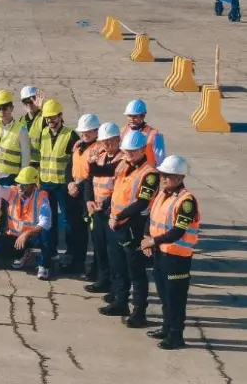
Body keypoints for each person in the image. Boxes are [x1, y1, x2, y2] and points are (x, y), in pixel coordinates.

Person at [99, 131, 158, 328]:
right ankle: (120, 301)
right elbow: (117, 190)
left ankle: (139, 312)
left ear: (142, 150)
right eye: (127, 151)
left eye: (133, 152)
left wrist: (119, 216)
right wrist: (106, 205)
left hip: (133, 225)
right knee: (118, 266)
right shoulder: (123, 164)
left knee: (136, 271)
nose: (129, 154)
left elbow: (142, 202)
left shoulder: (149, 174)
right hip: (116, 223)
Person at [140, 155, 200, 350]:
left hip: (177, 257)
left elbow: (178, 231)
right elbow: (151, 218)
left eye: (169, 176)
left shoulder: (186, 201)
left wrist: (153, 241)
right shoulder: (162, 193)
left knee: (175, 298)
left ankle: (176, 335)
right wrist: (147, 238)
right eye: (162, 175)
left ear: (181, 178)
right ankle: (166, 328)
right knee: (164, 295)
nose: (164, 178)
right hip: (161, 254)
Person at [0, 165, 52, 279]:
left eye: (24, 184)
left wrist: (27, 234)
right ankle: (22, 253)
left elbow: (45, 222)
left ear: (33, 185)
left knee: (46, 233)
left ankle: (44, 265)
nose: (20, 187)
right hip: (15, 236)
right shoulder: (12, 191)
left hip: (33, 237)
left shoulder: (42, 197)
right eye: (18, 183)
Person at [83, 122, 124, 295]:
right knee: (99, 248)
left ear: (118, 140)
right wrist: (88, 200)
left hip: (110, 211)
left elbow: (119, 190)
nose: (107, 145)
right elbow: (89, 180)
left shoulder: (122, 161)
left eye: (110, 141)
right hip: (96, 210)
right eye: (104, 141)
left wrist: (103, 205)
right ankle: (103, 280)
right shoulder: (99, 157)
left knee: (113, 252)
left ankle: (115, 286)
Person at [37, 99, 79, 268]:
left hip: (62, 185)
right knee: (49, 220)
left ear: (60, 116)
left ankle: (70, 252)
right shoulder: (44, 133)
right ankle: (51, 250)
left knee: (68, 220)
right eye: (47, 118)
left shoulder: (70, 135)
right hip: (46, 184)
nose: (50, 121)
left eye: (53, 117)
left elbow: (75, 163)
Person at [64, 113, 100, 275]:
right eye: (83, 132)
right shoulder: (78, 146)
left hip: (90, 196)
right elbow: (69, 167)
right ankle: (77, 262)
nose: (85, 134)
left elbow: (95, 175)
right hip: (75, 194)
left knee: (96, 235)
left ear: (96, 131)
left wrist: (78, 185)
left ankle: (97, 268)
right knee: (76, 232)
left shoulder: (99, 149)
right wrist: (70, 183)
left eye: (89, 131)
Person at [121, 99, 165, 166]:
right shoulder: (123, 131)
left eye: (135, 116)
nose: (132, 119)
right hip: (128, 170)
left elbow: (160, 160)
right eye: (129, 116)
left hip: (146, 172)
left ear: (143, 116)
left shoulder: (155, 136)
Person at [20, 86, 44, 167]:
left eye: (32, 100)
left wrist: (42, 108)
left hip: (41, 165)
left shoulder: (44, 118)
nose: (29, 104)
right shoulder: (22, 120)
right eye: (25, 101)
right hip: (26, 164)